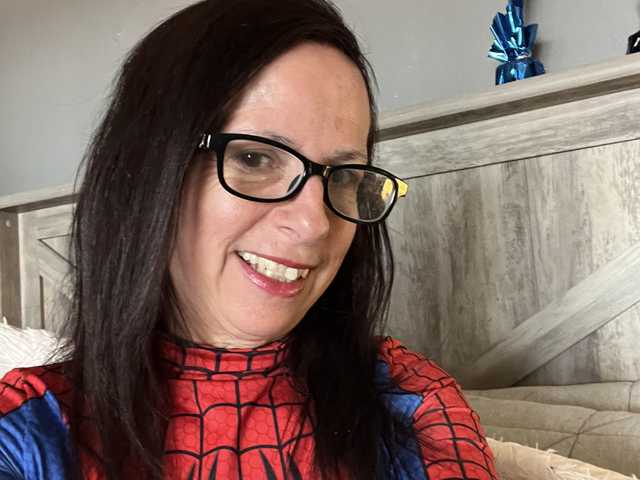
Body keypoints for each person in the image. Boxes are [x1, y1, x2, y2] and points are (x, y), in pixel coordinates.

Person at [0, 1, 498, 479]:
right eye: (254, 158)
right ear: (151, 171)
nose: (315, 224)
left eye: (345, 175)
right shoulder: (27, 427)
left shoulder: (407, 400)